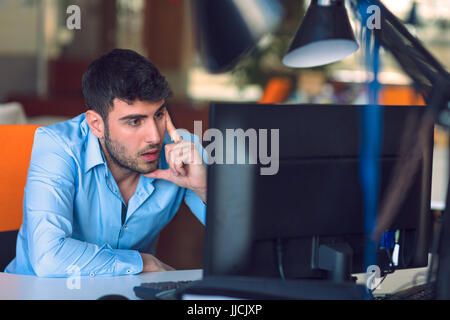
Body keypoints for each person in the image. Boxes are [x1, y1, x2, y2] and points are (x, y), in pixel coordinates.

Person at [5, 49, 207, 277]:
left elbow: (242, 241)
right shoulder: (58, 147)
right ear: (96, 124)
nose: (154, 136)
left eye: (159, 115)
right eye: (134, 121)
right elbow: (49, 258)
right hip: (38, 291)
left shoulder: (182, 150)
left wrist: (204, 188)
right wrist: (143, 263)